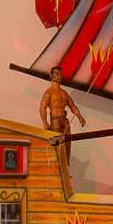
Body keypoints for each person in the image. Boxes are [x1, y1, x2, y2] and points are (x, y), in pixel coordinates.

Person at [39, 67, 85, 197]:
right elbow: (42, 107)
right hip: (54, 121)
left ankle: (65, 171)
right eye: (57, 74)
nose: (59, 76)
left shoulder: (64, 93)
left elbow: (72, 106)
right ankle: (55, 173)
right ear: (51, 75)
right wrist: (45, 123)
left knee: (67, 146)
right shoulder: (48, 93)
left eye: (60, 74)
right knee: (57, 148)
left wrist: (80, 117)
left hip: (64, 122)